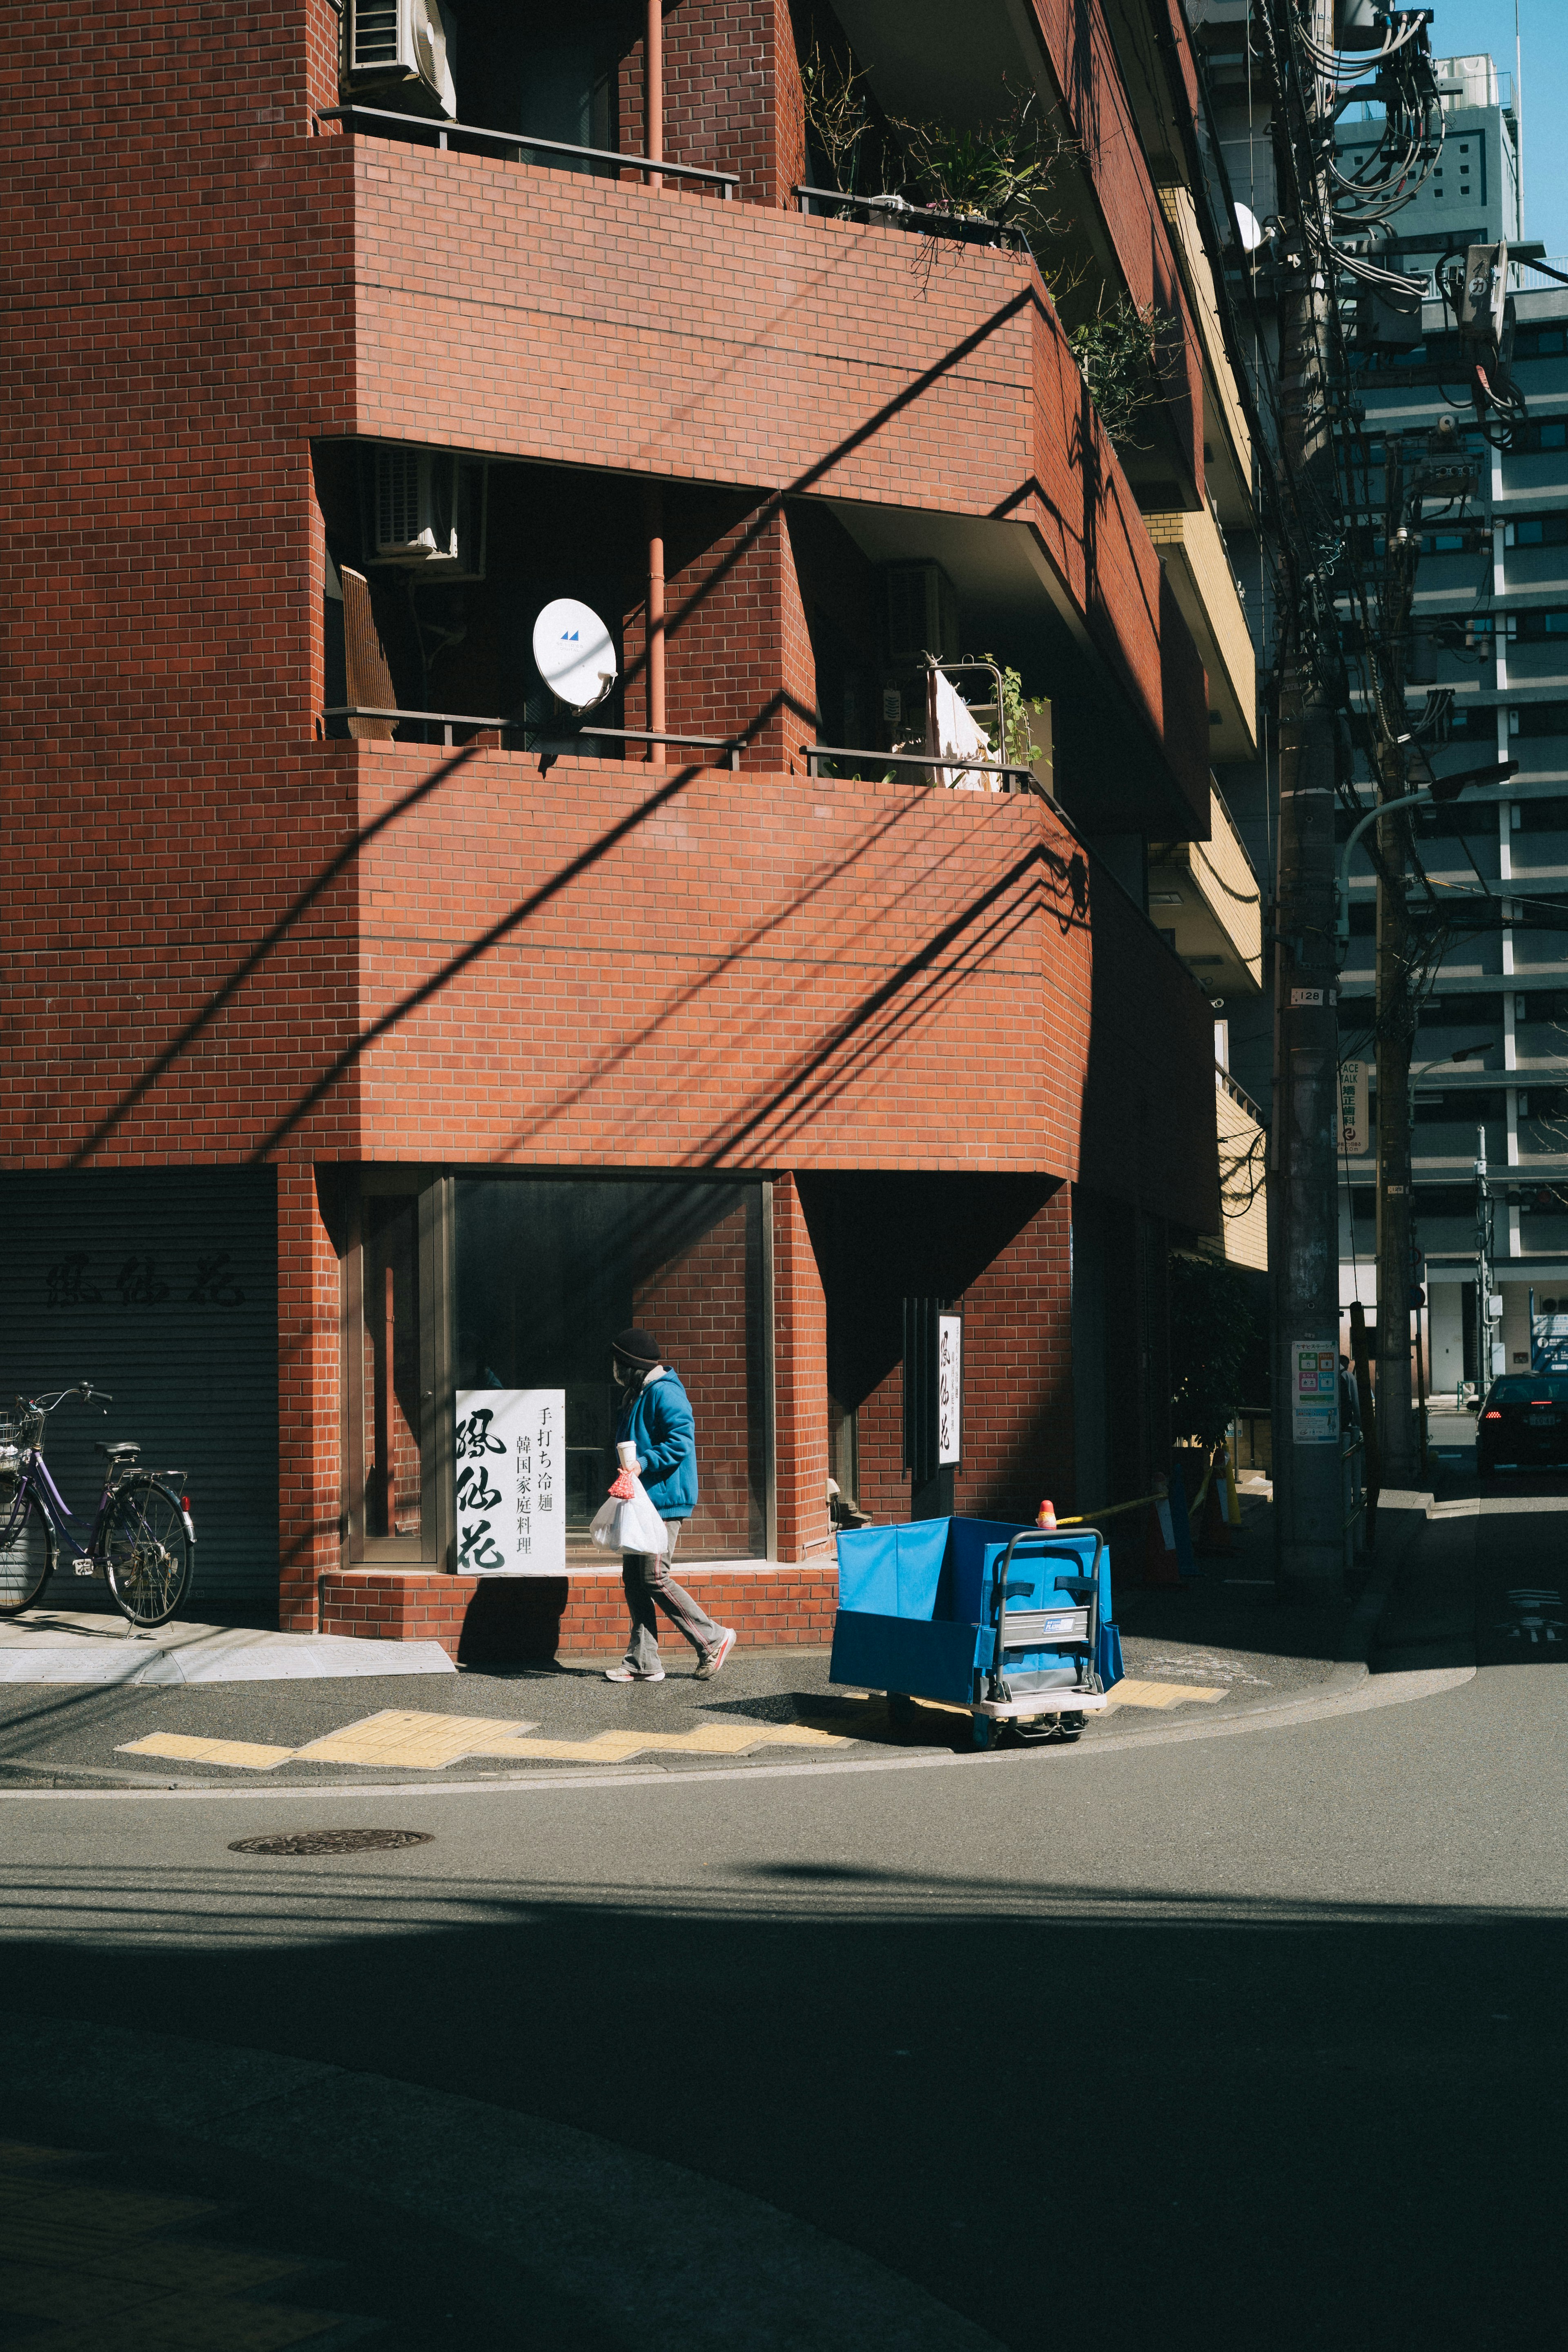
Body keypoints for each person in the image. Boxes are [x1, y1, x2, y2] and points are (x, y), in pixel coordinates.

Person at [603, 1326, 736, 1684]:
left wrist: (642, 1463)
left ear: (631, 1364)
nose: (614, 1369)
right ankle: (643, 1662)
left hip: (662, 1501)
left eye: (619, 1362)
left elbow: (680, 1442)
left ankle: (713, 1638)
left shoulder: (665, 1393)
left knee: (655, 1577)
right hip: (641, 1500)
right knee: (635, 1581)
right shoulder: (638, 1393)